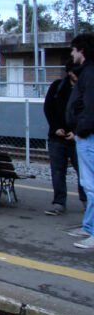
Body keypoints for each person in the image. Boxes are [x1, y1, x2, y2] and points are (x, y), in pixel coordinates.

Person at [44, 60, 85, 215]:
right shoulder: (58, 87)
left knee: (83, 171)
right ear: (70, 73)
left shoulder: (85, 89)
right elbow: (48, 108)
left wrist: (78, 132)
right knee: (57, 171)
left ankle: (86, 201)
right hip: (57, 137)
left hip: (78, 137)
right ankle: (59, 202)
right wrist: (55, 128)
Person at [66, 33, 94, 249]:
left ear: (81, 50)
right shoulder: (86, 73)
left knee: (92, 185)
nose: (71, 54)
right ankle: (88, 226)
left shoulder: (90, 73)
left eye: (73, 50)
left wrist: (81, 129)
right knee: (88, 184)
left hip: (88, 136)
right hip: (84, 135)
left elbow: (90, 106)